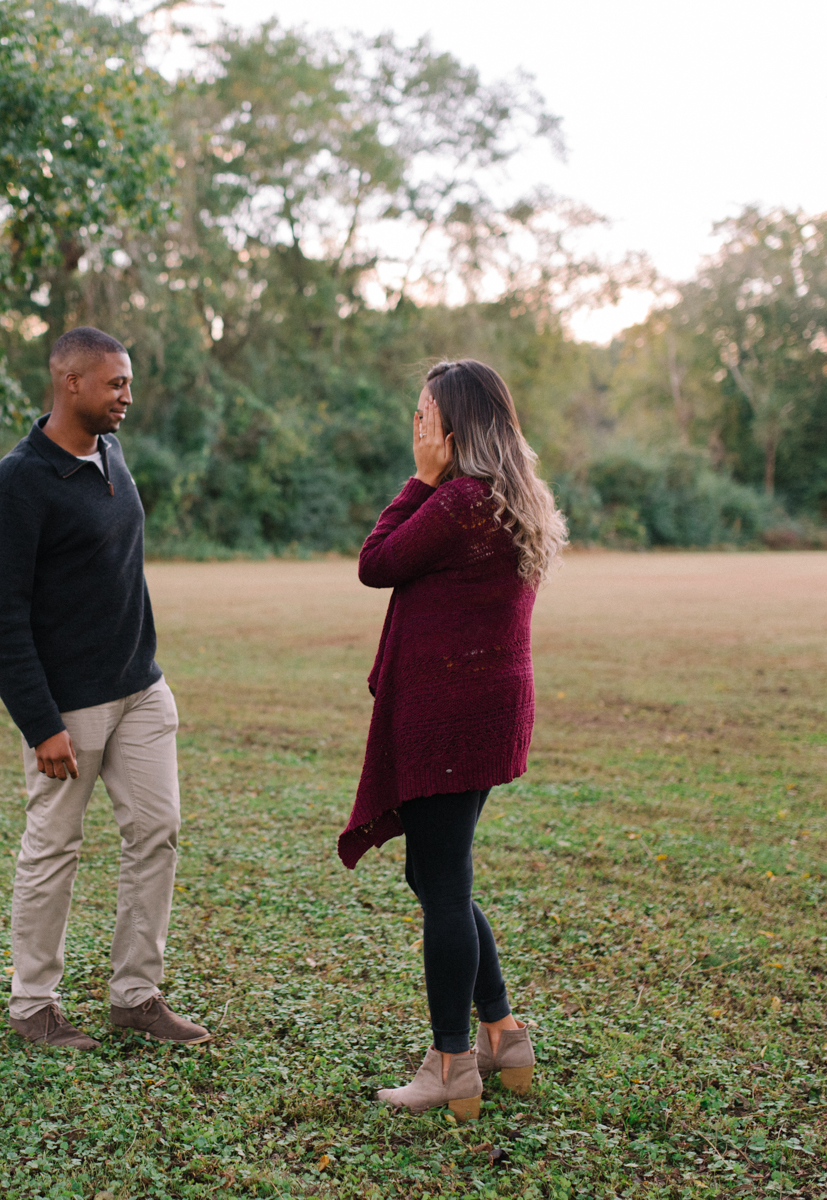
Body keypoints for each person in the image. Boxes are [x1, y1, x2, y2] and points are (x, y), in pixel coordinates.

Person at [339, 359, 567, 1121]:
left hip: (450, 715)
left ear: (456, 427)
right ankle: (502, 1031)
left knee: (442, 887)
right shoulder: (513, 496)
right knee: (439, 878)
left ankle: (451, 1063)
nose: (417, 427)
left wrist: (420, 479)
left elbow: (376, 562)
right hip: (488, 708)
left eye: (424, 415)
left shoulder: (460, 500)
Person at [0, 326, 211, 1050]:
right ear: (69, 383)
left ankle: (135, 995)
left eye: (129, 383)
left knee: (156, 834)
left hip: (140, 687)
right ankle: (33, 1008)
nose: (127, 398)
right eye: (115, 384)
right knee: (54, 847)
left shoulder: (110, 451)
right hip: (68, 705)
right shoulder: (16, 483)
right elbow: (0, 618)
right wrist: (41, 723)